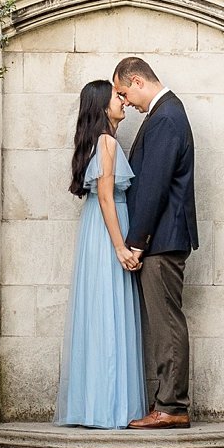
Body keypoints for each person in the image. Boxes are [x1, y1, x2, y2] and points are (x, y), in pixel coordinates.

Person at [55, 79, 146, 429]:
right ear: (101, 106)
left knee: (102, 312)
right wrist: (121, 245)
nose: (122, 101)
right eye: (116, 97)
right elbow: (107, 196)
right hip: (109, 228)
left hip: (99, 228)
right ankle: (110, 407)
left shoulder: (101, 142)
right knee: (109, 312)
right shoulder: (106, 142)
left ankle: (98, 404)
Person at [114, 55, 197, 429]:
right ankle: (168, 403)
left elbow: (153, 188)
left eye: (123, 92)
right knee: (165, 321)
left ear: (137, 80)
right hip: (161, 239)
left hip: (161, 240)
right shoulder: (166, 113)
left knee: (166, 323)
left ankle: (172, 406)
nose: (125, 102)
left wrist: (137, 242)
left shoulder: (165, 117)